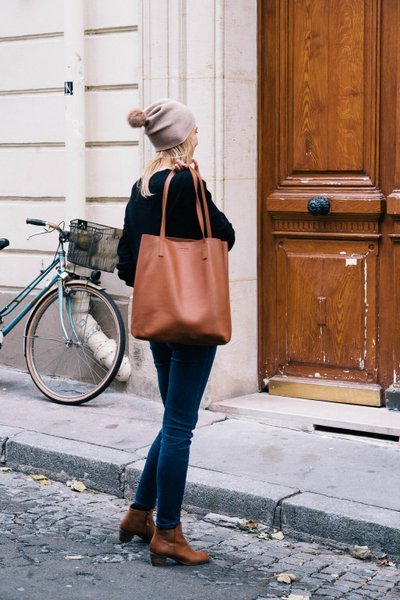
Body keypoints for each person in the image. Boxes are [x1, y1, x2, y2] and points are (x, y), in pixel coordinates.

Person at [116, 98, 235, 567]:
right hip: (194, 324)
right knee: (181, 428)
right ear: (183, 137)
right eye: (197, 130)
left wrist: (162, 280)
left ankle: (138, 514)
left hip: (159, 320)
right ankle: (167, 532)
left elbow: (127, 263)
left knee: (172, 422)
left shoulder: (141, 186)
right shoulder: (188, 183)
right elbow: (224, 234)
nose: (200, 135)